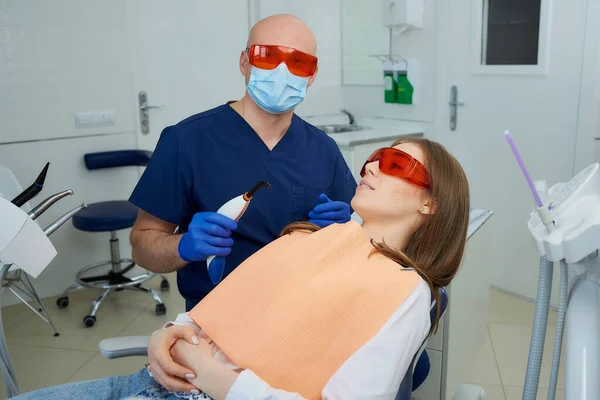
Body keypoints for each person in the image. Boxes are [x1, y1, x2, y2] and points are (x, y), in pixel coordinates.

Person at [13, 137, 470, 399]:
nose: (371, 164)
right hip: (158, 374)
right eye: (374, 157)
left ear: (431, 203)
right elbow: (227, 308)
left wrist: (212, 377)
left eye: (396, 163)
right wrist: (168, 332)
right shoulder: (310, 236)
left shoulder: (405, 290)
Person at [128, 14, 357, 311]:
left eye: (298, 62)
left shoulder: (323, 149)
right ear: (244, 62)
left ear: (311, 76)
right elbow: (142, 245)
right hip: (216, 318)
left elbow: (357, 241)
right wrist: (182, 246)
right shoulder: (186, 140)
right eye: (267, 56)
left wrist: (348, 229)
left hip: (302, 310)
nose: (281, 71)